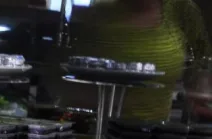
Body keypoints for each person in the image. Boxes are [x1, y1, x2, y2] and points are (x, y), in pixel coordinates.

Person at [69, 0, 212, 120]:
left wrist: (199, 88)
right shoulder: (100, 10)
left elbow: (204, 60)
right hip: (93, 133)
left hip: (152, 137)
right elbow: (72, 80)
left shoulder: (180, 9)